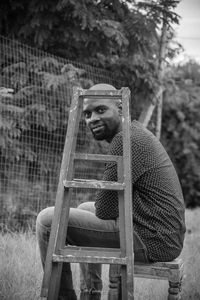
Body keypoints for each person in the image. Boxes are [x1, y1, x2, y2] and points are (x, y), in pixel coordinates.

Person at [36, 83, 186, 300]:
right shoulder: (134, 133)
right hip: (160, 233)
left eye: (100, 110)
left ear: (121, 109)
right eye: (87, 113)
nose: (92, 119)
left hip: (152, 239)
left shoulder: (125, 141)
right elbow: (107, 205)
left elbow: (105, 210)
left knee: (47, 220)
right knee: (83, 207)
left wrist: (103, 199)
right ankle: (92, 294)